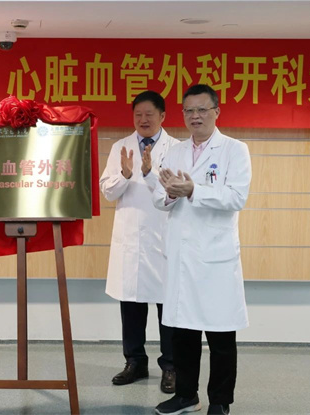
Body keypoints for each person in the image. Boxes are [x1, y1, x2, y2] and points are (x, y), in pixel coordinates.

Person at [153, 84, 251, 415]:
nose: (195, 116)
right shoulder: (175, 152)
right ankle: (186, 395)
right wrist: (170, 193)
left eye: (202, 110)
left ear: (216, 112)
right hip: (182, 256)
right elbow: (159, 197)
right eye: (189, 111)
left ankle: (220, 401)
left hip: (215, 258)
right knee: (183, 332)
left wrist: (194, 190)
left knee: (220, 336)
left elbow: (236, 197)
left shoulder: (235, 150)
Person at [100, 90, 178, 394]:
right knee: (131, 305)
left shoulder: (177, 149)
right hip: (131, 238)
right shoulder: (120, 147)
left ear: (162, 116)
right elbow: (108, 191)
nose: (143, 120)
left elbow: (175, 191)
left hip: (163, 237)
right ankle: (134, 362)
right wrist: (124, 174)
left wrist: (149, 172)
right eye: (138, 115)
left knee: (167, 307)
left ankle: (170, 366)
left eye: (149, 114)